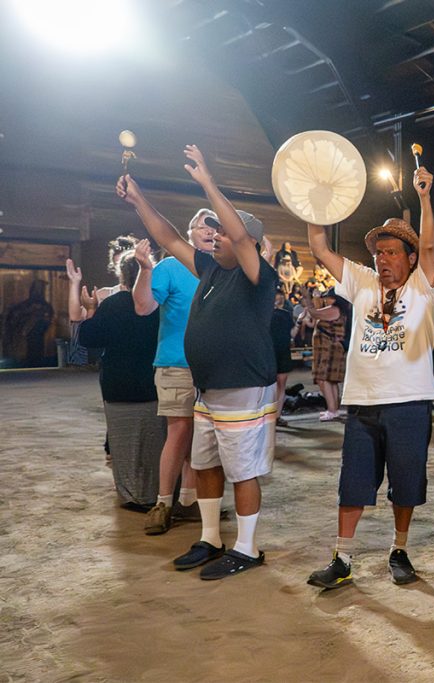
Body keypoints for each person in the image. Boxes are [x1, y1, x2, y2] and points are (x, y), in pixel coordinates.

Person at [117, 144, 278, 581]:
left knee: (242, 470)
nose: (216, 236)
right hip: (209, 388)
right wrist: (139, 200)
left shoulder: (258, 275)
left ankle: (248, 547)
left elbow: (242, 238)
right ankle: (211, 538)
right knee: (205, 464)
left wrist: (208, 182)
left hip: (243, 386)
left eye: (222, 232)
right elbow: (169, 236)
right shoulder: (210, 270)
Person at [305, 165, 434, 590]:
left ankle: (399, 550)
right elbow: (318, 245)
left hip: (410, 401)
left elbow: (431, 242)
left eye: (392, 252)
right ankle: (342, 558)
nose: (382, 259)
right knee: (353, 483)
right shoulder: (360, 281)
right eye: (378, 252)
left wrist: (424, 197)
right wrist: (313, 201)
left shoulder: (422, 285)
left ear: (410, 258)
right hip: (362, 402)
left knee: (406, 483)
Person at [132, 213, 217, 536]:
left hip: (215, 366)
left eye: (214, 226)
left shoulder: (223, 268)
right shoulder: (168, 268)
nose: (209, 231)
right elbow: (143, 307)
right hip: (177, 364)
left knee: (204, 435)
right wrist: (145, 269)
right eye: (202, 226)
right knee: (180, 431)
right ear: (189, 234)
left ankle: (189, 499)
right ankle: (163, 503)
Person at [77, 249, 164, 510]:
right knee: (155, 442)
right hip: (153, 381)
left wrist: (92, 309)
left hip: (117, 383)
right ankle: (157, 494)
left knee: (123, 444)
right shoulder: (160, 304)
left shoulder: (113, 304)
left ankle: (131, 495)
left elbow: (88, 340)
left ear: (122, 276)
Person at [303, 288, 348, 422]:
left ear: (335, 299)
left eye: (328, 297)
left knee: (324, 378)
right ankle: (334, 409)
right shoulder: (336, 309)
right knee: (330, 380)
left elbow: (314, 313)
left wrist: (307, 298)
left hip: (328, 348)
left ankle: (332, 410)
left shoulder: (334, 310)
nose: (325, 299)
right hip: (329, 348)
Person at [270, 290, 295, 427]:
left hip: (283, 351)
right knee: (272, 385)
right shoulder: (263, 313)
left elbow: (291, 333)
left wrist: (298, 323)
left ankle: (277, 415)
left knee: (281, 384)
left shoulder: (286, 314)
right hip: (269, 351)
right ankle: (271, 415)